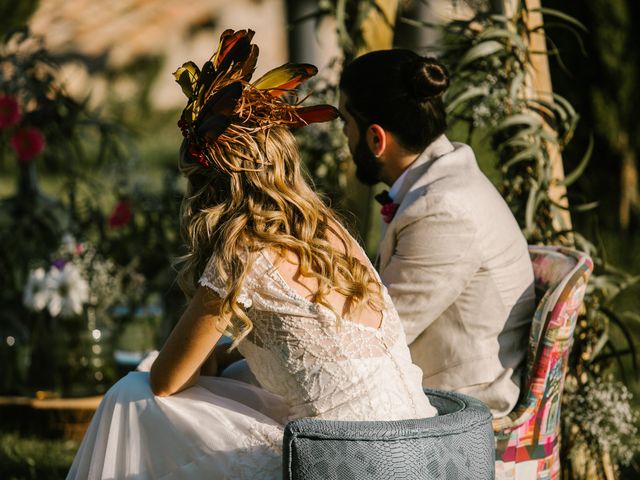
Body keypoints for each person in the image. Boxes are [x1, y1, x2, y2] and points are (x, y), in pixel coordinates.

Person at [67, 30, 436, 480]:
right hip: (420, 445)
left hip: (350, 465)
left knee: (133, 393)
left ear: (210, 184)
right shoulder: (330, 230)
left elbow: (167, 380)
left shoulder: (243, 252)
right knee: (237, 373)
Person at [338, 49, 536, 417]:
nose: (345, 139)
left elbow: (381, 337)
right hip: (430, 377)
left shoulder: (443, 207)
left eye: (345, 124)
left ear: (376, 139)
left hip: (461, 404)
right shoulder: (440, 181)